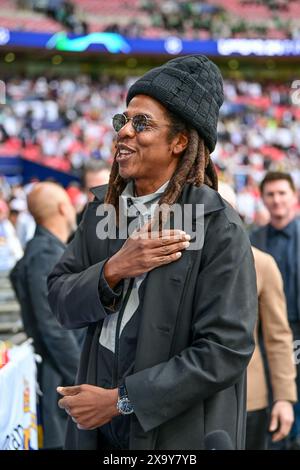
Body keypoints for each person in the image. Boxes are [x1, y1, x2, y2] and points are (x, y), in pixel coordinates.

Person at [48, 55, 257, 450]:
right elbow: (59, 299)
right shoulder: (102, 211)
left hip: (179, 433)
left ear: (180, 141)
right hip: (98, 431)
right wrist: (112, 270)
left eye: (141, 123)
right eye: (122, 120)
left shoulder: (218, 226)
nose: (124, 132)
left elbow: (225, 350)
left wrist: (121, 401)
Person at [218, 182, 297, 450]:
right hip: (188, 401)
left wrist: (284, 398)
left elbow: (277, 336)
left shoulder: (261, 263)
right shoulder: (175, 262)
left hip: (250, 398)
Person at [10, 182, 84, 449]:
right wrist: (83, 378)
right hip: (61, 382)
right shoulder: (44, 254)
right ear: (64, 208)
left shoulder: (49, 250)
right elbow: (53, 328)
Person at [251, 171, 300, 448]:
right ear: (263, 199)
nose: (277, 200)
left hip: (298, 330)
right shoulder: (253, 240)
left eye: (282, 193)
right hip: (270, 338)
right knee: (276, 399)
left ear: (293, 196)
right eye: (271, 194)